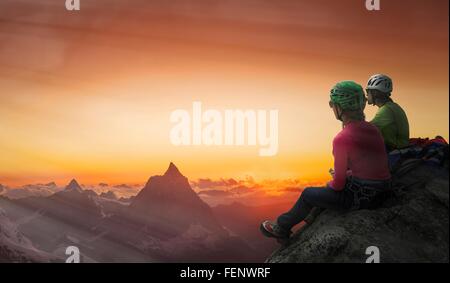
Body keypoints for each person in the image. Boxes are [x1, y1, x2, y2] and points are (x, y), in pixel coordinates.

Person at [260, 81, 392, 239]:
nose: (332, 108)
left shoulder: (342, 138)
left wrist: (335, 179)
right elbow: (371, 165)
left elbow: (338, 185)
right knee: (324, 190)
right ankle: (311, 214)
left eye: (332, 104)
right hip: (382, 192)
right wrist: (350, 174)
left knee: (309, 193)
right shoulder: (373, 129)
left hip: (362, 198)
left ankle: (281, 227)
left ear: (339, 107)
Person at [366, 74, 410, 151]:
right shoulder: (393, 106)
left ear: (375, 93)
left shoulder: (386, 110)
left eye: (368, 91)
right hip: (399, 149)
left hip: (394, 152)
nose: (366, 94)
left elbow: (366, 129)